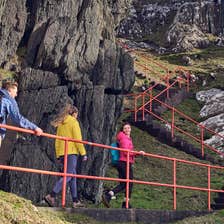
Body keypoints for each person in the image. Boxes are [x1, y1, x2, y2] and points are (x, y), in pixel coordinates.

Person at [44, 104, 87, 208]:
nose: (77, 117)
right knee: (68, 175)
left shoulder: (61, 123)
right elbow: (77, 139)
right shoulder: (74, 122)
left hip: (63, 153)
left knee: (73, 176)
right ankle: (52, 195)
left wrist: (58, 155)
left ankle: (75, 201)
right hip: (71, 152)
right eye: (76, 115)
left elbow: (57, 141)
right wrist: (83, 153)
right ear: (74, 113)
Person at [102, 122, 135, 209]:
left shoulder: (127, 138)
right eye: (125, 128)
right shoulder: (124, 139)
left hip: (124, 162)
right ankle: (122, 202)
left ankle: (113, 197)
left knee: (125, 183)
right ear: (123, 130)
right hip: (125, 162)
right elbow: (125, 151)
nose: (127, 130)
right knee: (129, 183)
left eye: (128, 128)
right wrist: (137, 153)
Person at [0, 80, 43, 146]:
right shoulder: (9, 99)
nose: (16, 95)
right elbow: (18, 118)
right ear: (10, 90)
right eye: (16, 92)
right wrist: (35, 128)